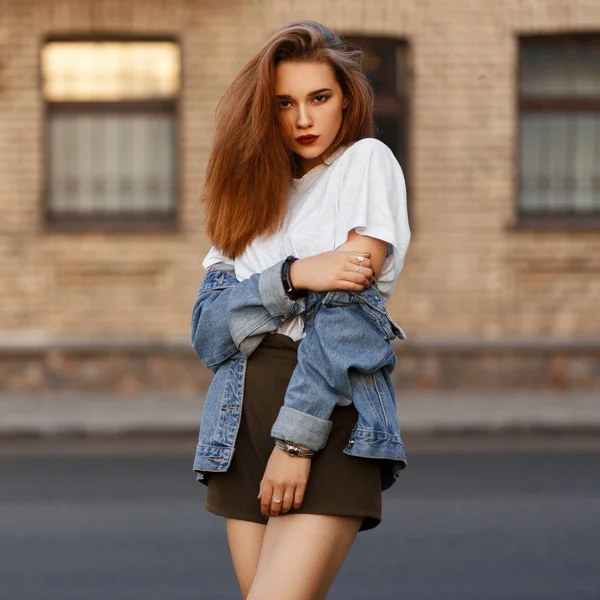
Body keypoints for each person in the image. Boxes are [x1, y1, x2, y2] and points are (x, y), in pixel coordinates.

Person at [193, 20, 410, 600]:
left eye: (319, 98)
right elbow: (210, 334)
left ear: (347, 99)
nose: (303, 119)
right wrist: (293, 276)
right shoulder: (250, 196)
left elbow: (346, 318)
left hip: (325, 414)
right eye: (285, 103)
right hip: (237, 420)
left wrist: (296, 443)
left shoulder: (366, 163)